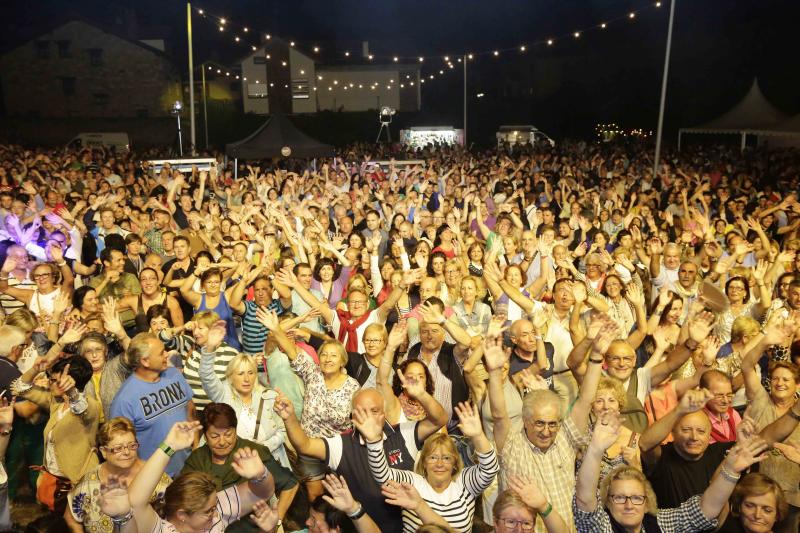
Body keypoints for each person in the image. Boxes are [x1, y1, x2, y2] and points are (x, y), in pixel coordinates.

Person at [273, 386, 447, 533]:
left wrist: (421, 394)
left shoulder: (403, 434)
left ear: (384, 413)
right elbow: (305, 445)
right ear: (352, 415)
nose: (368, 417)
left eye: (374, 411)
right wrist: (289, 418)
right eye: (362, 412)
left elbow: (440, 419)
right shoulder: (341, 444)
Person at [573, 410, 769, 533]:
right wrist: (596, 449)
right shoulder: (601, 527)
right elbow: (584, 498)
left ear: (647, 501)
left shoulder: (660, 524)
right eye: (619, 498)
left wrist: (731, 470)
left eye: (636, 498)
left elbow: (706, 509)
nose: (628, 505)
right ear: (607, 501)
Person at [97, 420, 276, 533]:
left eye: (214, 507)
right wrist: (169, 446)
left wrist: (260, 475)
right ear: (182, 514)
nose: (215, 515)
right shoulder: (162, 529)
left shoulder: (216, 509)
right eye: (208, 511)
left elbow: (261, 493)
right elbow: (136, 502)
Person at [258, 309, 359, 501]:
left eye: (333, 356)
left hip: (339, 451)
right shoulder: (313, 374)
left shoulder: (353, 386)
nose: (328, 359)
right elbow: (292, 351)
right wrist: (275, 329)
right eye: (324, 355)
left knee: (342, 496)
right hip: (309, 446)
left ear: (342, 361)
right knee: (315, 497)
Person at [358, 400, 498, 532]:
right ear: (424, 462)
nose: (439, 464)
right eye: (433, 457)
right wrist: (374, 442)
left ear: (455, 463)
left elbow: (490, 469)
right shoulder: (413, 483)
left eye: (446, 458)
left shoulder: (465, 482)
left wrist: (478, 435)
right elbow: (383, 475)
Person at [180, 403, 298, 528]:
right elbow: (183, 501)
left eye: (228, 434)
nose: (222, 442)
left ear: (235, 430)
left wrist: (276, 520)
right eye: (214, 436)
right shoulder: (196, 460)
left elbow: (290, 483)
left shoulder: (253, 453)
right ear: (205, 435)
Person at [11, 355, 99, 515]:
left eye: (54, 380)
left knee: (78, 524)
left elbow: (80, 408)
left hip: (78, 481)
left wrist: (71, 391)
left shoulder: (90, 405)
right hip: (55, 482)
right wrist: (34, 370)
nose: (50, 383)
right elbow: (20, 387)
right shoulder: (56, 402)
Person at [109, 332, 195, 477]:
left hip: (190, 466)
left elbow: (190, 407)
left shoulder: (174, 374)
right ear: (145, 361)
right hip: (156, 479)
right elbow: (121, 449)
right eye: (161, 353)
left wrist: (196, 443)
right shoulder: (124, 400)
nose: (167, 355)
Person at [65, 417, 172, 533]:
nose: (126, 452)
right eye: (118, 448)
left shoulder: (156, 477)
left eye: (132, 446)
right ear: (104, 452)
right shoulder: (89, 482)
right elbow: (71, 518)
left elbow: (175, 517)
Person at [198, 343, 290, 467]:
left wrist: (262, 448)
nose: (247, 379)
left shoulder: (269, 396)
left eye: (251, 373)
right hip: (234, 466)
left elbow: (283, 430)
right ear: (230, 377)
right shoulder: (222, 395)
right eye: (241, 374)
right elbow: (206, 376)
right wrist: (209, 348)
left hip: (270, 461)